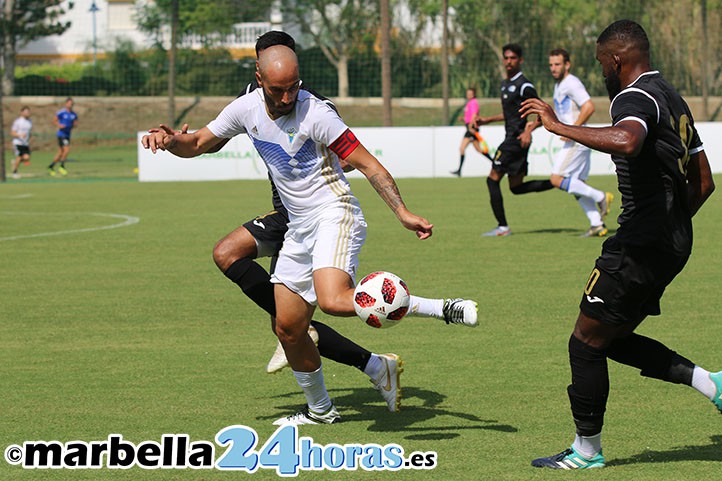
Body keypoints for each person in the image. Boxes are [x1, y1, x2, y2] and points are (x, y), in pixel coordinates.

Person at [149, 32, 478, 417]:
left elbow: (369, 164)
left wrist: (402, 212)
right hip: (297, 226)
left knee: (332, 300)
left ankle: (441, 307)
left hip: (334, 213)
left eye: (293, 88)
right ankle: (321, 410)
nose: (287, 98)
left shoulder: (317, 113)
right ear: (258, 76)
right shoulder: (244, 108)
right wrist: (170, 141)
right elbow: (199, 142)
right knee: (288, 328)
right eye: (278, 90)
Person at [520, 19, 717, 469]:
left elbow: (628, 141)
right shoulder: (671, 96)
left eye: (601, 64)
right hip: (670, 242)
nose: (602, 73)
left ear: (616, 60)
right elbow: (703, 183)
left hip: (639, 245)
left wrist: (558, 126)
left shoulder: (633, 97)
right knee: (611, 336)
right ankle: (713, 385)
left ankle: (586, 451)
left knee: (585, 342)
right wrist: (669, 227)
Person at [476, 44, 554, 237]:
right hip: (513, 140)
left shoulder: (524, 86)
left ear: (520, 60)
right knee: (516, 188)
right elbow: (510, 112)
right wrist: (487, 120)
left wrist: (529, 129)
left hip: (515, 141)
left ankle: (502, 227)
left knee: (492, 180)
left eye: (513, 58)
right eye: (506, 58)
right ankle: (558, 182)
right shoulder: (505, 84)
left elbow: (543, 111)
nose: (509, 62)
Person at [547, 48, 614, 237]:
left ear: (567, 65)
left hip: (577, 139)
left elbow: (589, 106)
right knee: (576, 186)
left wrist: (572, 130)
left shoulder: (571, 83)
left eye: (557, 64)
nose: (553, 68)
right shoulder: (560, 85)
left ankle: (601, 197)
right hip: (577, 138)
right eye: (551, 64)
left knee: (556, 179)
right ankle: (596, 224)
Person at [451, 87, 492, 176]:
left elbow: (474, 115)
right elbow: (469, 116)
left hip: (471, 128)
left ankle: (459, 170)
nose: (468, 95)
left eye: (470, 93)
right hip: (470, 128)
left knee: (462, 148)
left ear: (473, 94)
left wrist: (470, 127)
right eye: (468, 93)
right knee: (479, 150)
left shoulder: (473, 103)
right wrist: (463, 119)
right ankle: (495, 163)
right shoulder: (469, 103)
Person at [48, 97, 78, 176]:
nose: (70, 105)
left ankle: (51, 166)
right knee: (67, 149)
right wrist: (59, 125)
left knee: (61, 152)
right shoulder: (61, 112)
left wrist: (74, 125)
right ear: (66, 104)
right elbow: (54, 120)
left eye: (71, 103)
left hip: (68, 135)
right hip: (61, 134)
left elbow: (75, 123)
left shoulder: (73, 114)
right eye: (69, 103)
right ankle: (62, 166)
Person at [10, 106, 32, 179]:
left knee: (27, 158)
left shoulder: (29, 121)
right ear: (21, 112)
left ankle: (15, 162)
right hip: (18, 142)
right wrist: (20, 135)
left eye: (28, 112)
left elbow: (29, 132)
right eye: (26, 112)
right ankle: (14, 172)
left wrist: (30, 138)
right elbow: (12, 132)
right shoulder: (18, 121)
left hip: (25, 143)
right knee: (19, 156)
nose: (27, 113)